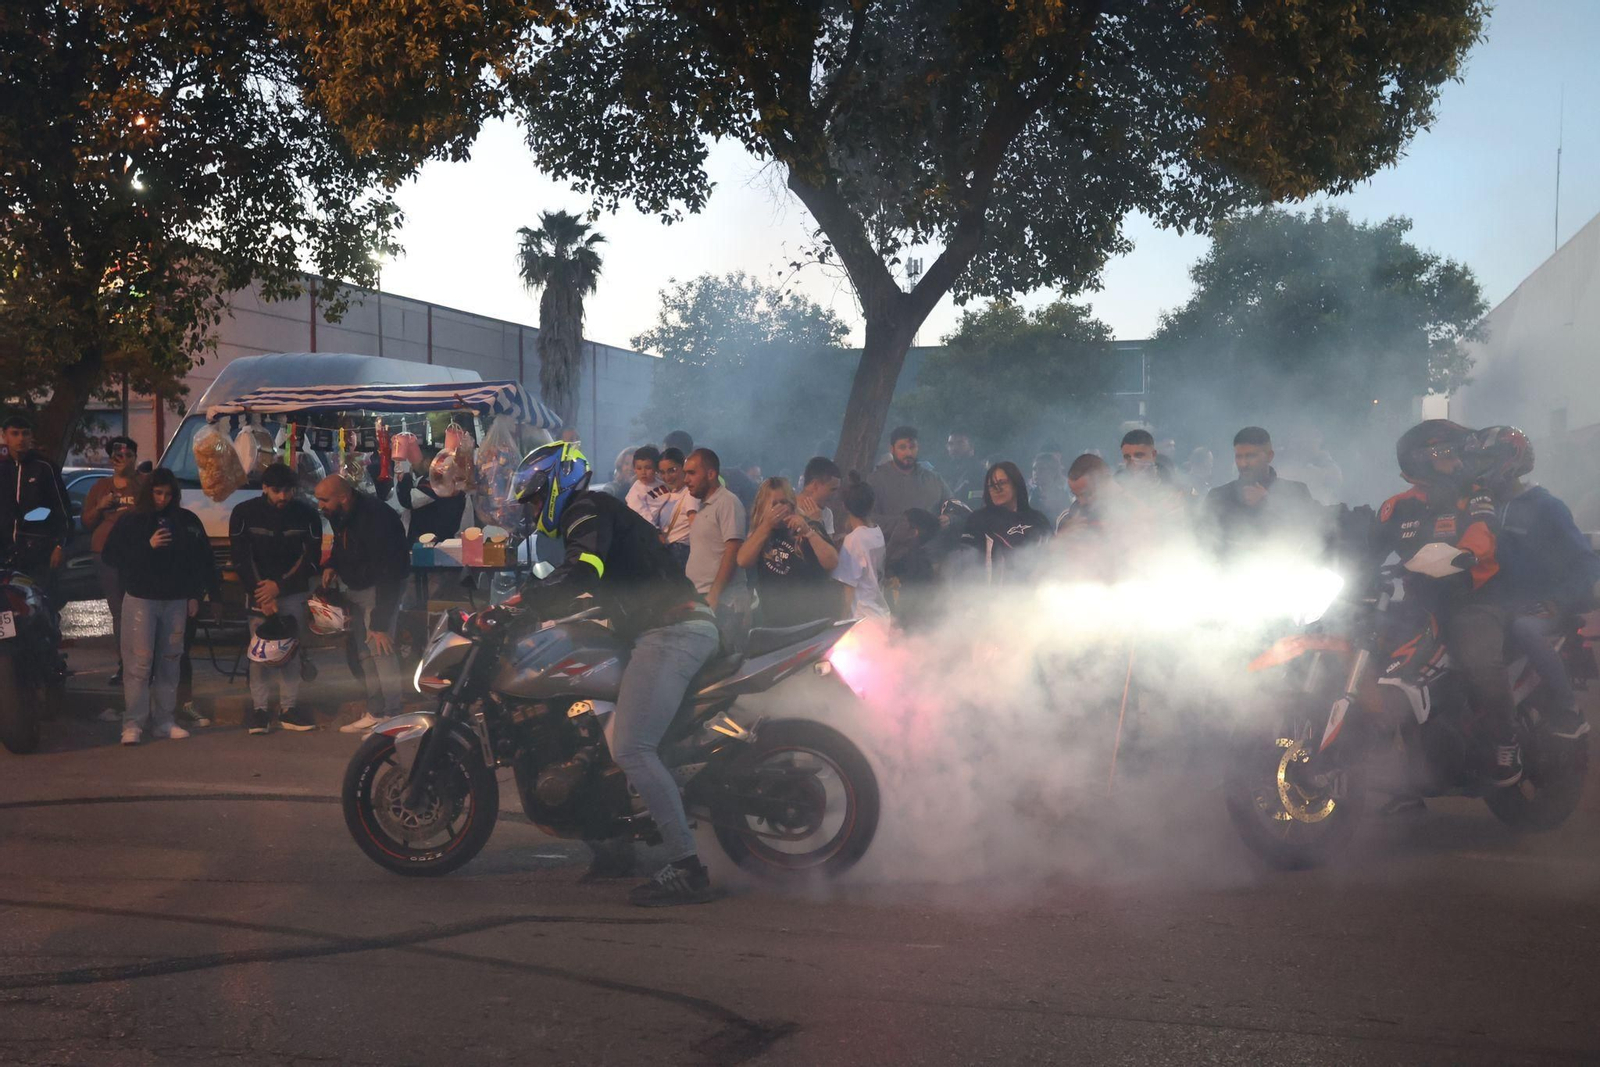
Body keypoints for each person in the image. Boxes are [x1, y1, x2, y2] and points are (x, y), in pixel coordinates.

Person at [511, 441, 723, 906]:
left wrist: (525, 601)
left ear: (554, 486)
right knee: (590, 727)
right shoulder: (595, 512)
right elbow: (600, 585)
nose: (528, 508)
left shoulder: (586, 510)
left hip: (672, 630)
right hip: (655, 629)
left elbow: (584, 569)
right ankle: (615, 849)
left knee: (631, 745)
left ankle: (688, 868)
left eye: (532, 497)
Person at [1378, 420, 1521, 787]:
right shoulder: (1398, 506)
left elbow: (1482, 532)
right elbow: (1366, 544)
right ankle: (1401, 773)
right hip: (1420, 603)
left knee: (1479, 658)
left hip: (1474, 598)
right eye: (1440, 453)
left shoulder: (1475, 495)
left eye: (1452, 451)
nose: (1451, 459)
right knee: (1380, 664)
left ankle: (1507, 742)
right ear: (1419, 461)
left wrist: (1467, 554)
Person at [1471, 426, 1600, 740]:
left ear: (1510, 461)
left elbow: (1586, 562)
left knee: (1524, 629)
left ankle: (1570, 711)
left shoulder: (1547, 506)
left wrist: (1559, 600)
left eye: (1487, 459)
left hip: (1542, 605)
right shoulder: (1484, 509)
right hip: (1500, 603)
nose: (1479, 469)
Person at [101, 468, 218, 746]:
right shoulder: (132, 521)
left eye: (168, 494)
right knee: (139, 664)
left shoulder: (186, 520)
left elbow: (199, 561)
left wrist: (196, 595)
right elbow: (112, 556)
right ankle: (133, 723)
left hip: (176, 599)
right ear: (148, 492)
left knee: (170, 661)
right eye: (157, 492)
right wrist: (147, 546)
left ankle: (164, 720)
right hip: (142, 598)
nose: (163, 499)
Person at [314, 475, 411, 734]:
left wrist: (379, 621)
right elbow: (341, 543)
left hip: (378, 590)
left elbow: (390, 571)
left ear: (343, 497)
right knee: (364, 653)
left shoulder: (377, 518)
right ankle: (376, 711)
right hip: (355, 588)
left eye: (324, 500)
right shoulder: (341, 513)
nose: (321, 505)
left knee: (381, 649)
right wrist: (333, 564)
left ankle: (392, 714)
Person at [231, 463, 322, 735]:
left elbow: (311, 559)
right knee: (259, 653)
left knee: (290, 651)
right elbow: (241, 558)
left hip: (292, 592)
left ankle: (288, 710)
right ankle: (259, 711)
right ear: (264, 488)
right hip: (257, 593)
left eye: (288, 491)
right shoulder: (244, 513)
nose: (283, 497)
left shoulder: (306, 514)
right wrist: (261, 594)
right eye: (277, 491)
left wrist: (278, 587)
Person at [737, 477, 839, 628]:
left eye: (784, 502)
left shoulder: (808, 526)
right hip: (773, 621)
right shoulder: (761, 531)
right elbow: (742, 560)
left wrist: (808, 533)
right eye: (774, 504)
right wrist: (767, 525)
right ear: (763, 507)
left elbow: (832, 562)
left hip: (809, 619)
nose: (780, 508)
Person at [81, 436, 144, 685]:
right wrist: (100, 506)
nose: (121, 461)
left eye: (127, 456)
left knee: (139, 609)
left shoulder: (142, 485)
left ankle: (142, 662)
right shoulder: (101, 486)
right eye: (116, 456)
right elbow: (86, 521)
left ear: (134, 458)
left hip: (137, 554)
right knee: (118, 611)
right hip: (105, 553)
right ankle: (123, 664)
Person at [1201, 427, 1319, 557]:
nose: (1243, 463)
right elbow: (1202, 540)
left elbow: (1309, 537)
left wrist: (1268, 503)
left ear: (1269, 456)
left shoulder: (1297, 492)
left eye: (1251, 456)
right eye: (1239, 457)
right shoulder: (1219, 496)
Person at [0, 415, 71, 596]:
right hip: (5, 552)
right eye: (15, 434)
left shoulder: (44, 467)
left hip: (39, 553)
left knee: (40, 602)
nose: (20, 439)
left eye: (25, 434)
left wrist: (60, 546)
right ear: (4, 435)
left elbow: (62, 510)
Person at [682, 448, 748, 645]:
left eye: (692, 473)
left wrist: (714, 595)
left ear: (711, 474)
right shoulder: (702, 506)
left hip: (723, 603)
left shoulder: (727, 502)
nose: (686, 479)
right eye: (685, 473)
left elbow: (733, 550)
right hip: (704, 601)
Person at [961, 461, 1053, 583]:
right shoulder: (978, 519)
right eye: (991, 485)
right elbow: (967, 562)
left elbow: (1054, 555)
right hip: (995, 596)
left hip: (1037, 593)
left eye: (1002, 483)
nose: (997, 489)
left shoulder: (1038, 518)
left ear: (1016, 484)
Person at [866, 426, 950, 530]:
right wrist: (906, 524)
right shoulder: (875, 480)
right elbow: (868, 518)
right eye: (902, 447)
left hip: (933, 545)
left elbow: (954, 505)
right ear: (892, 449)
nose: (908, 453)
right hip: (892, 544)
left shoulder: (934, 479)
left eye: (912, 447)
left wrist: (948, 517)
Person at [831, 476, 890, 620]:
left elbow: (848, 588)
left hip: (862, 618)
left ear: (845, 506)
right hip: (880, 613)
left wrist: (842, 619)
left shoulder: (854, 540)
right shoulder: (877, 531)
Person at [653, 447, 698, 570]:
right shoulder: (668, 493)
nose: (667, 477)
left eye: (672, 470)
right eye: (662, 472)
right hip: (667, 551)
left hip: (680, 552)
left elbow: (695, 527)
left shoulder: (690, 493)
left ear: (683, 467)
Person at [796, 456, 842, 538]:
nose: (836, 495)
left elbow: (827, 549)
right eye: (832, 490)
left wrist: (818, 524)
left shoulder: (827, 514)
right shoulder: (789, 507)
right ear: (815, 485)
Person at [624, 445, 671, 522]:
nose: (643, 472)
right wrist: (654, 530)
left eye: (648, 468)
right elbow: (641, 515)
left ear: (656, 468)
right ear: (634, 469)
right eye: (639, 468)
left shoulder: (662, 484)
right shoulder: (636, 491)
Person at [942, 432, 986, 508]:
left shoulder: (979, 472)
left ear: (971, 445)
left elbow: (977, 504)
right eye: (951, 444)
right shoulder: (945, 471)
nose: (954, 448)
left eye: (960, 443)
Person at [1028, 452, 1072, 523]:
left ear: (1053, 471)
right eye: (1034, 469)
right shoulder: (1030, 494)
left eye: (1042, 469)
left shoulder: (1062, 496)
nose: (1036, 472)